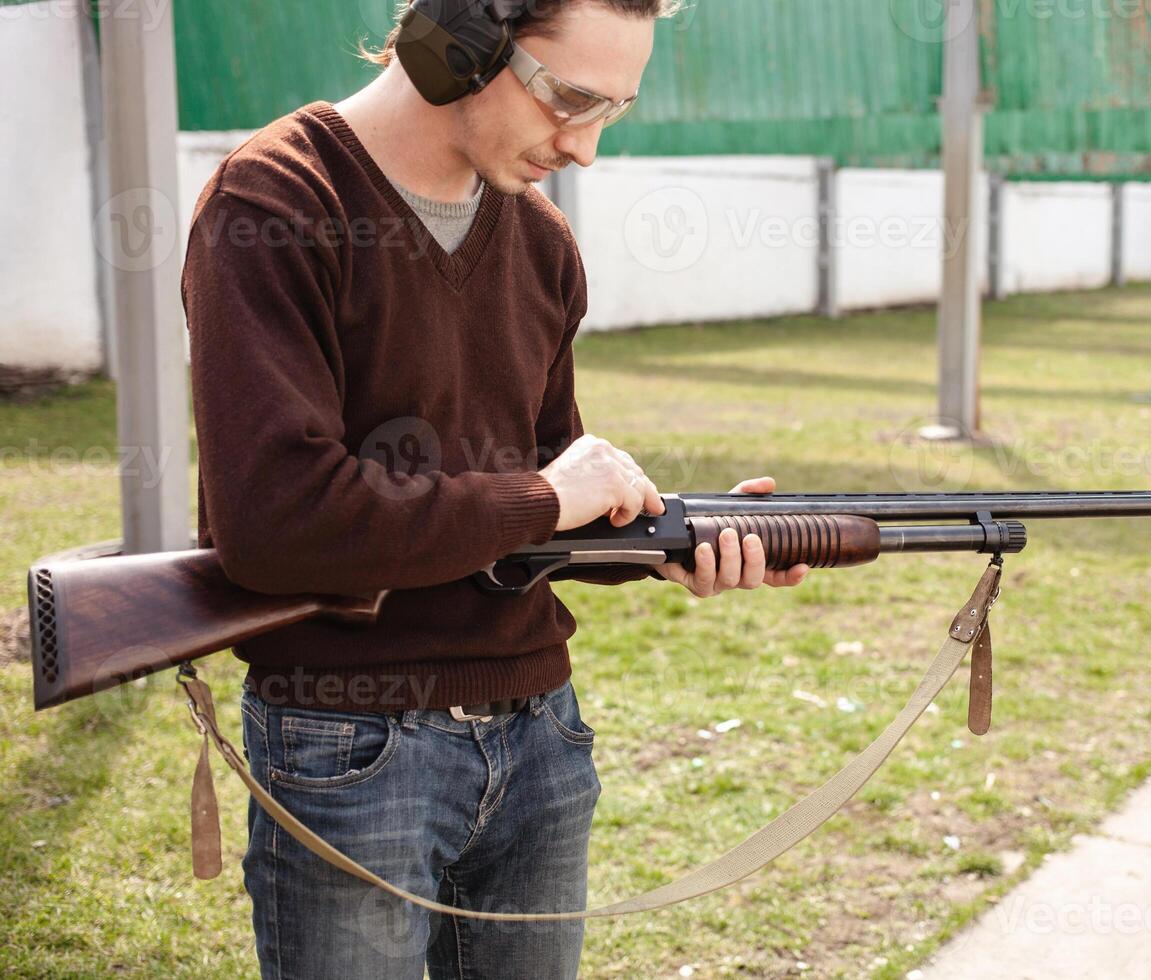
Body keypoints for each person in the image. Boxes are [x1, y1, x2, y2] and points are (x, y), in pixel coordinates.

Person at [180, 1, 806, 976]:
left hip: (542, 729)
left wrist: (671, 539)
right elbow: (279, 521)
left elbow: (534, 498)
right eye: (570, 100)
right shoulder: (276, 203)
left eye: (616, 111)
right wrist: (553, 496)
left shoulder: (544, 242)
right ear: (457, 40)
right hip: (350, 742)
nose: (587, 149)